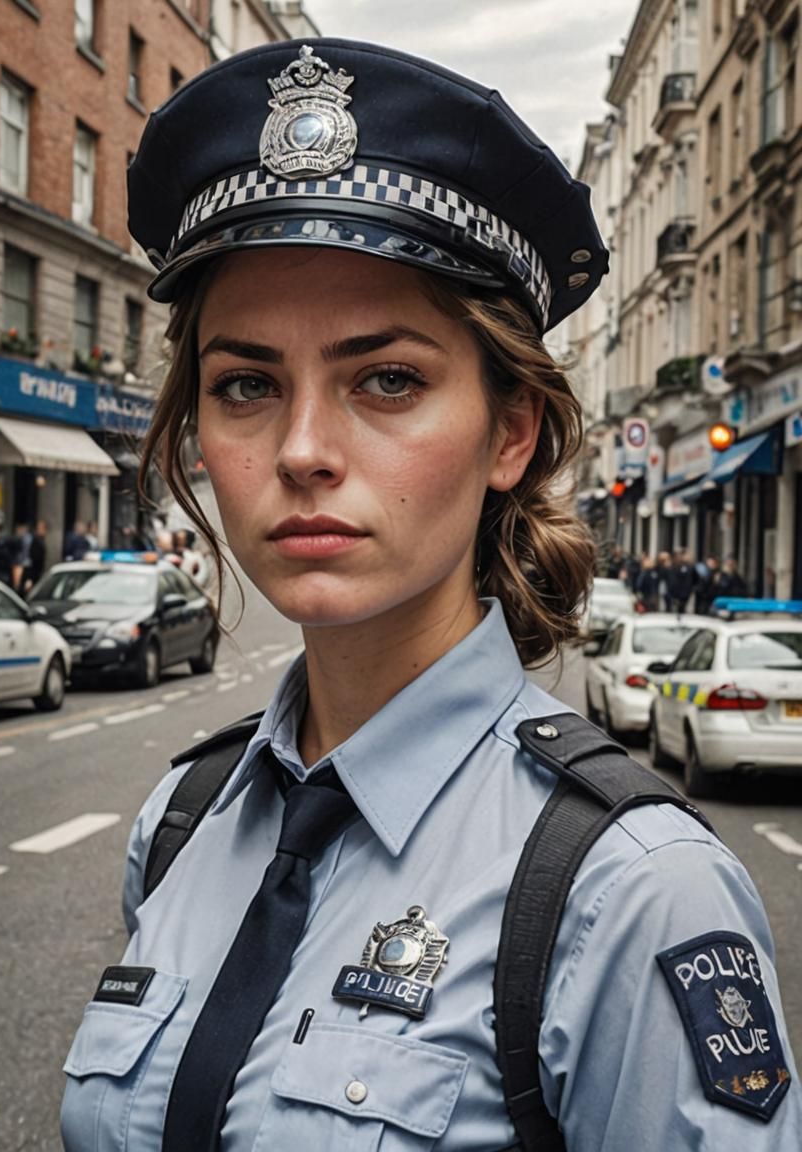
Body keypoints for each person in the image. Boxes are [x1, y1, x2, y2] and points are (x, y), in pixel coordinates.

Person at [60, 39, 800, 1151]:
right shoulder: (180, 821)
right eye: (246, 384)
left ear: (511, 433)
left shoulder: (630, 892)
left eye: (388, 379)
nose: (302, 449)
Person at [668, 548, 696, 615]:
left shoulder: (690, 567)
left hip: (686, 593)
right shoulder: (673, 567)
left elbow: (695, 579)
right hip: (674, 593)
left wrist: (692, 588)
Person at [27, 519, 48, 588]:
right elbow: (32, 560)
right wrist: (30, 578)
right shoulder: (36, 541)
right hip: (34, 574)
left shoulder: (41, 541)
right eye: (39, 528)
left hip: (38, 573)